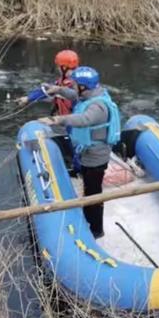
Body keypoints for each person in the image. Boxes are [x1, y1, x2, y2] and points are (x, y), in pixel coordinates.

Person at [39, 66, 120, 239]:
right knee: (89, 188)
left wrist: (59, 119)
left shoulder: (97, 106)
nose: (73, 86)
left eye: (75, 84)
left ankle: (96, 229)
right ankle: (88, 217)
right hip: (88, 152)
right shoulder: (90, 94)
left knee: (93, 193)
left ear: (83, 86)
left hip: (95, 157)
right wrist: (58, 90)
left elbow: (85, 119)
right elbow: (73, 95)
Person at [17, 49, 79, 115]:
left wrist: (58, 90)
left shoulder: (77, 83)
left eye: (58, 66)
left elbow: (74, 95)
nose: (57, 69)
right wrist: (28, 98)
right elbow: (47, 91)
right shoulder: (62, 80)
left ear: (63, 67)